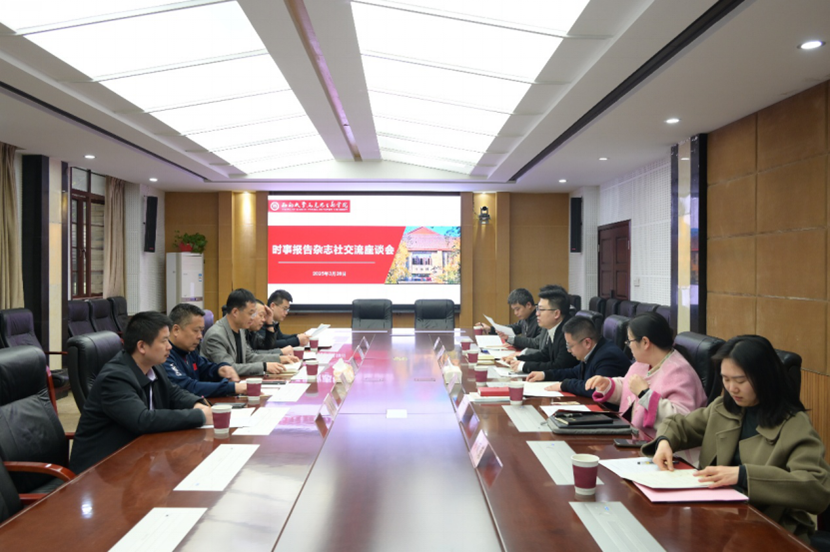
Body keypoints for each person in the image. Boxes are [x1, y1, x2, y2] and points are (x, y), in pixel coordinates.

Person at [643, 335, 830, 542]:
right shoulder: (724, 407)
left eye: (740, 381)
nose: (732, 388)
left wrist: (743, 475)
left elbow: (816, 488)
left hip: (771, 531)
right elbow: (681, 425)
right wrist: (665, 442)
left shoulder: (794, 424)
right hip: (719, 522)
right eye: (726, 379)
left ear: (765, 377)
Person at [69, 312, 211, 474]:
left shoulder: (154, 366)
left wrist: (197, 404)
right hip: (100, 469)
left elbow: (173, 393)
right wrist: (199, 416)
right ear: (142, 346)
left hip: (137, 457)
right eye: (164, 341)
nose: (169, 346)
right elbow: (142, 419)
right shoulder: (115, 378)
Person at [586, 312, 706, 430]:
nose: (628, 345)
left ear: (645, 342)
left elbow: (682, 420)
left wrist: (644, 394)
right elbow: (631, 387)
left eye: (630, 341)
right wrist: (608, 385)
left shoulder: (680, 372)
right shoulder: (642, 363)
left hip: (660, 442)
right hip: (636, 435)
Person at [202, 288, 297, 376]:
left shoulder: (241, 329)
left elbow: (249, 356)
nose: (252, 318)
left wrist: (278, 358)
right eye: (250, 313)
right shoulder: (216, 335)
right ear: (235, 312)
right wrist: (264, 366)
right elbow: (229, 368)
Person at [164, 303, 247, 398]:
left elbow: (204, 368)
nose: (200, 336)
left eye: (201, 331)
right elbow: (189, 387)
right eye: (196, 330)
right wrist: (231, 388)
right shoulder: (165, 356)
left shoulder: (189, 350)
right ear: (176, 330)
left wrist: (220, 370)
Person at [536, 316, 629, 397]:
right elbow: (575, 372)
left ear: (587, 343)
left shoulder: (608, 357)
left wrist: (565, 385)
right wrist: (545, 375)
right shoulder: (593, 350)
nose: (568, 350)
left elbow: (597, 389)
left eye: (570, 346)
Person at [509, 290, 578, 375]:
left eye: (541, 310)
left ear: (556, 313)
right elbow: (545, 354)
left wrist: (524, 366)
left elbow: (559, 366)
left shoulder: (568, 332)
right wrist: (517, 359)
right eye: (538, 309)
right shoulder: (555, 327)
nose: (537, 314)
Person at [475, 288, 540, 343]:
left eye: (517, 309)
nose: (515, 313)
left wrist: (512, 339)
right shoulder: (526, 316)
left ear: (528, 305)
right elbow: (514, 328)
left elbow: (536, 343)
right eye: (514, 310)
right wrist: (490, 329)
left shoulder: (541, 318)